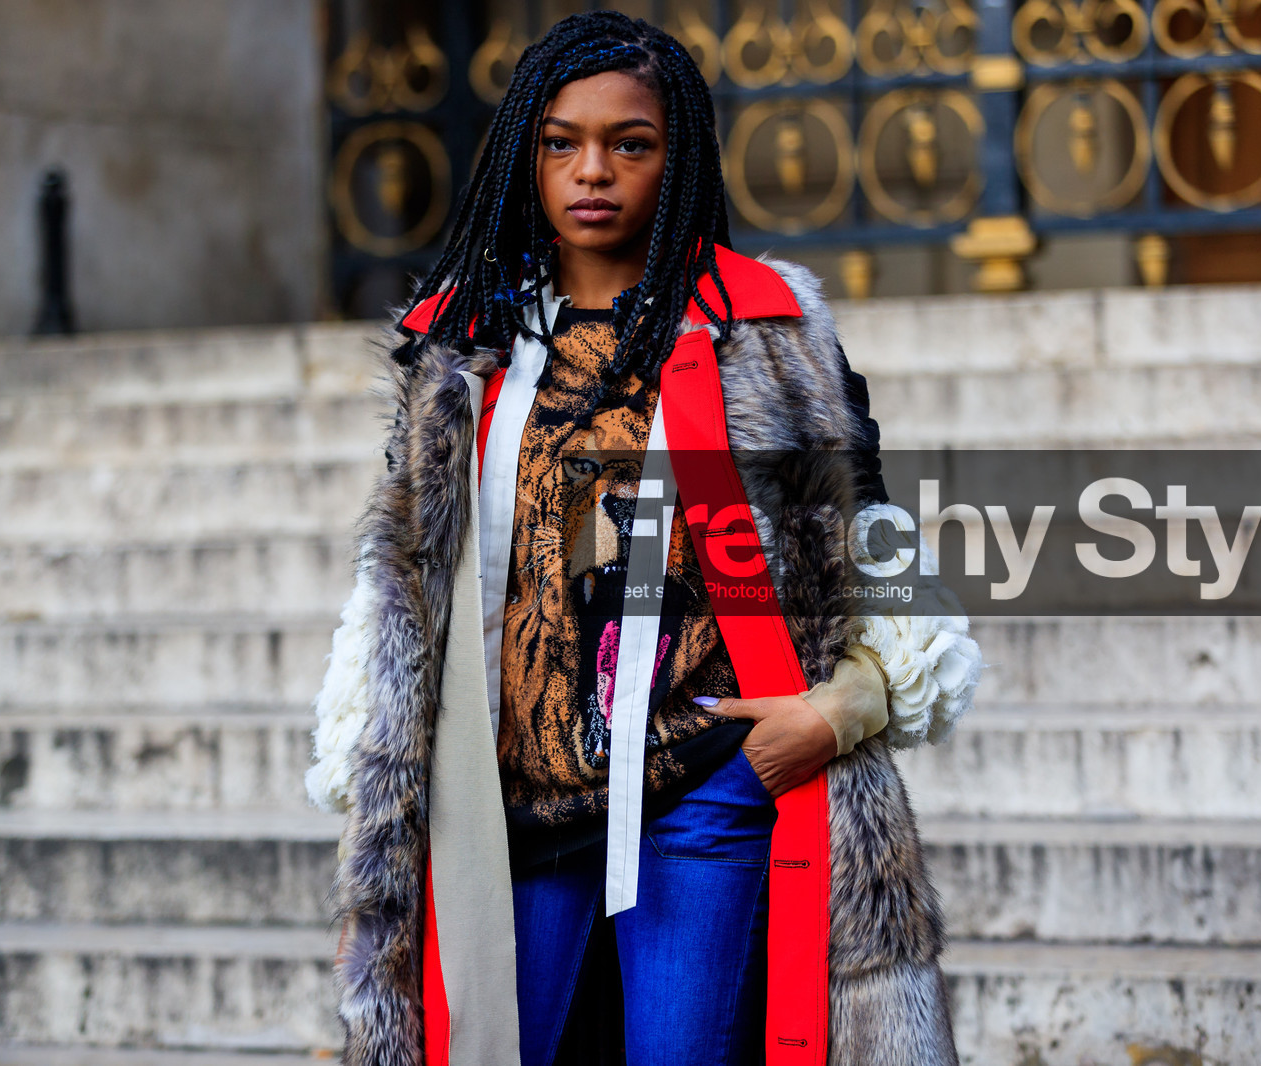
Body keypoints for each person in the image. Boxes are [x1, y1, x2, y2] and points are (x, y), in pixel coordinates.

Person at [307, 12, 982, 1066]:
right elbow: (404, 575)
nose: (592, 172)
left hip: (703, 782)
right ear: (526, 154)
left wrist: (842, 705)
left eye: (630, 143)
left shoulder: (764, 326)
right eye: (560, 142)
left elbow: (874, 548)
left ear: (677, 158)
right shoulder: (465, 347)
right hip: (511, 804)